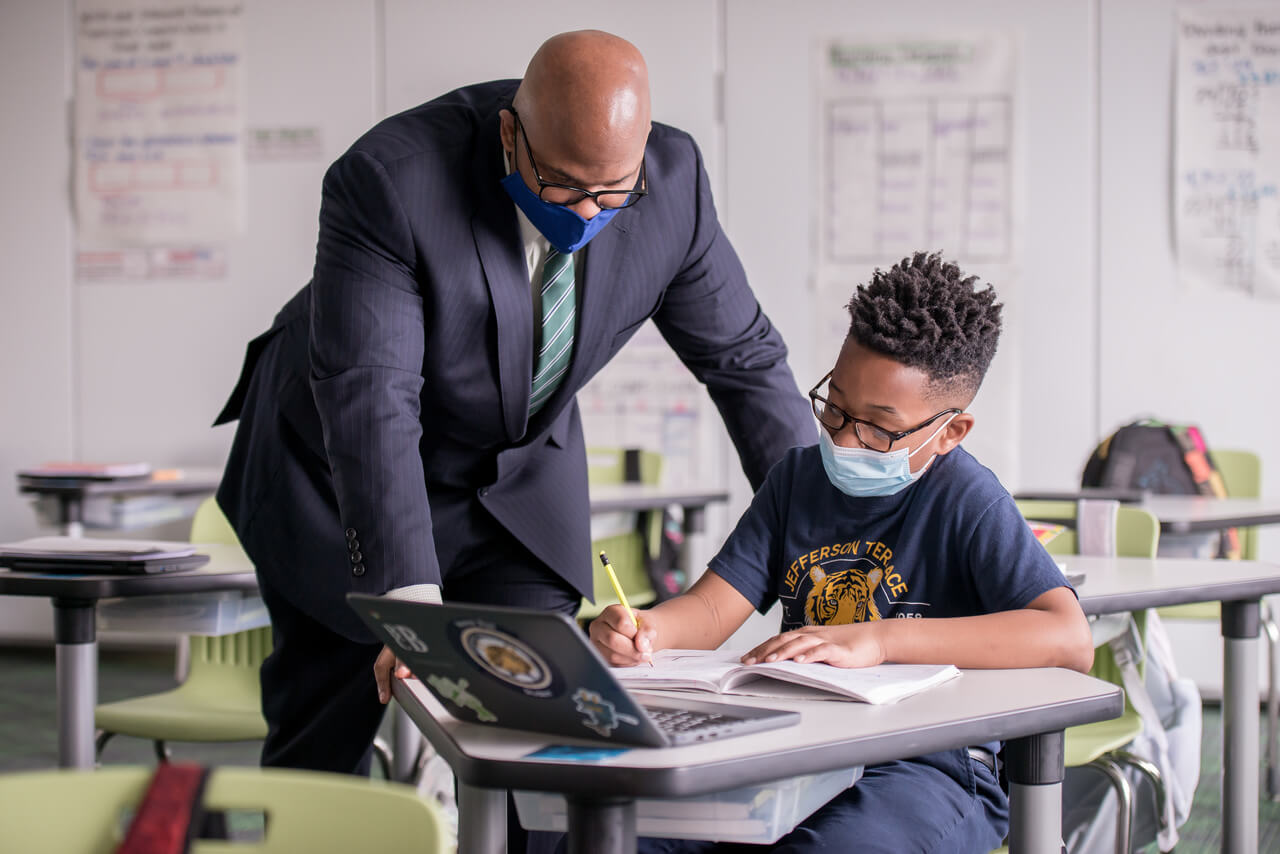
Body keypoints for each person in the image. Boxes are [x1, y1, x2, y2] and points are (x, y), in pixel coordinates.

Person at [212, 24, 811, 822]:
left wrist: (827, 538)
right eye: (563, 186)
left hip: (516, 472)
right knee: (330, 716)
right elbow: (372, 396)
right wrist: (409, 601)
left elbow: (745, 363)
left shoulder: (671, 182)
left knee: (544, 717)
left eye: (613, 193)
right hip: (336, 467)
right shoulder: (389, 180)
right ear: (509, 135)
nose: (589, 213)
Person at [589, 251, 1095, 853]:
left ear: (950, 433)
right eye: (835, 406)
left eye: (879, 427)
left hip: (929, 764)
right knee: (626, 835)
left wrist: (879, 639)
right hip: (797, 742)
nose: (844, 437)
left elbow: (1068, 640)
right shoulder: (797, 479)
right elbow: (710, 609)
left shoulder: (967, 498)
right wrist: (647, 628)